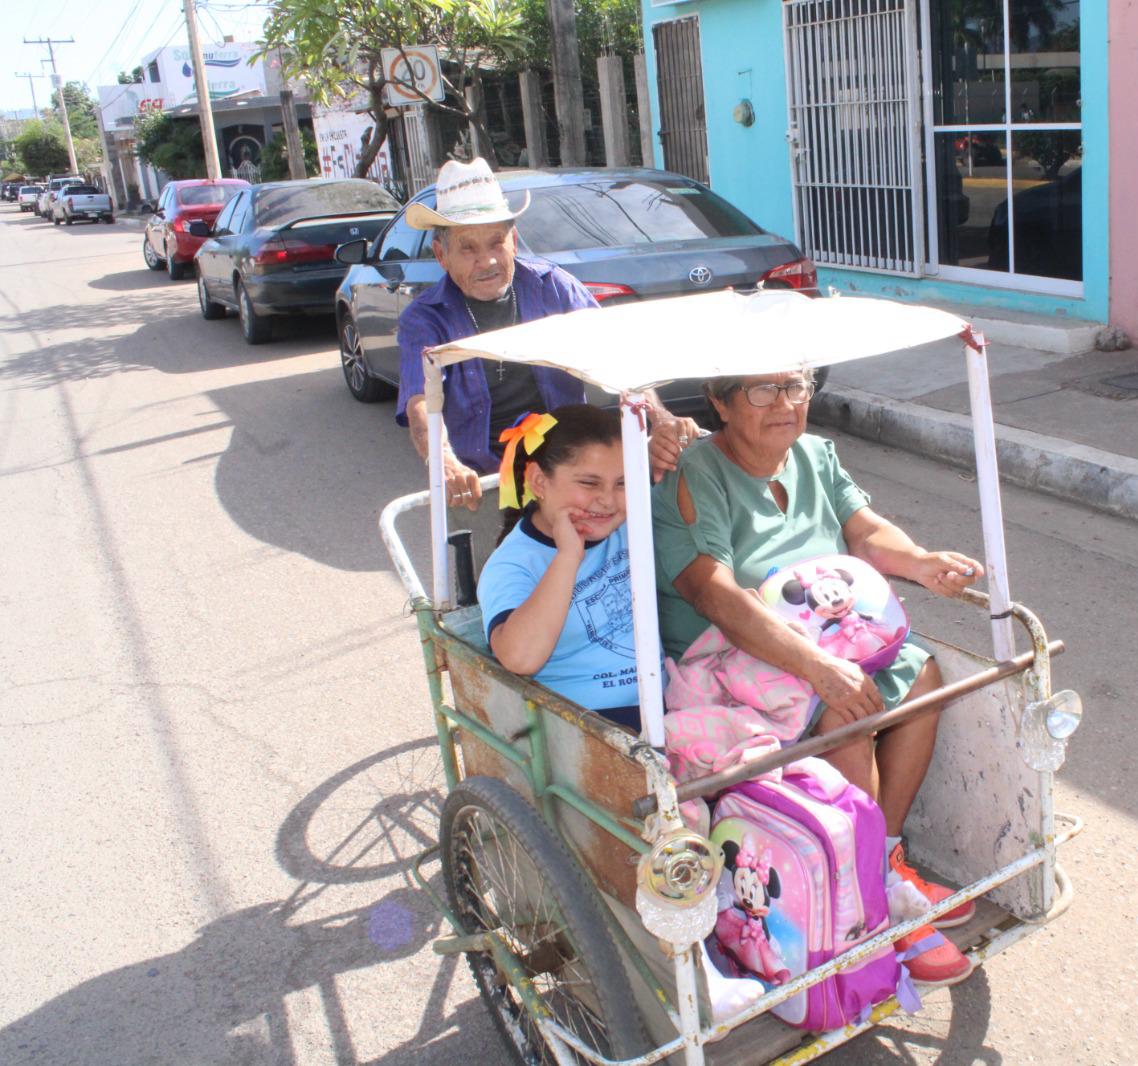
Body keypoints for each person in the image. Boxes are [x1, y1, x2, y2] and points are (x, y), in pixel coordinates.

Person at [650, 369, 985, 986]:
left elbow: (864, 530)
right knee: (846, 712)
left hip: (824, 632)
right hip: (729, 649)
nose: (784, 403)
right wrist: (818, 668)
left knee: (923, 675)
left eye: (795, 387)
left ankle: (878, 858)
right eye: (760, 390)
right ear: (720, 404)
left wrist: (920, 562)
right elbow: (712, 593)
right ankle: (869, 906)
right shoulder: (692, 474)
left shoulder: (813, 453)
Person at [396, 157, 691, 537]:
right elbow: (420, 402)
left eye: (496, 243)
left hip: (570, 473)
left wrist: (661, 418)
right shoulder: (425, 318)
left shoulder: (553, 286)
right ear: (441, 255)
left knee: (600, 576)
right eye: (467, 248)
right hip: (485, 483)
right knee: (500, 587)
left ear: (513, 242)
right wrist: (445, 463)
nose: (486, 260)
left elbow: (617, 354)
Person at [478, 406, 643, 733]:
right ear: (539, 481)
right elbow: (520, 658)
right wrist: (568, 557)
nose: (608, 500)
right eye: (589, 483)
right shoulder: (512, 564)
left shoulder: (630, 526)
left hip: (664, 703)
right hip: (585, 728)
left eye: (622, 483)